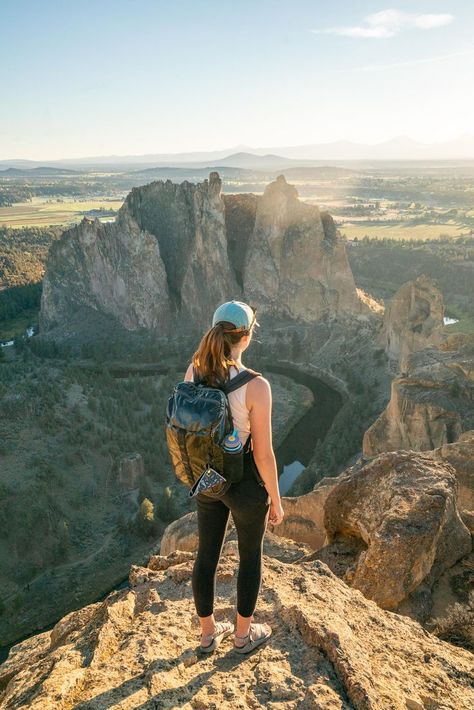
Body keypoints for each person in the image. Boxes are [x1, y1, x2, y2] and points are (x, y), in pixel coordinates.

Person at [183, 300, 285, 654]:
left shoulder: (194, 371)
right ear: (247, 337)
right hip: (242, 484)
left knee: (206, 553)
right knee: (249, 557)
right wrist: (275, 497)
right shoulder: (256, 386)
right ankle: (243, 637)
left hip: (208, 478)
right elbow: (263, 454)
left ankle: (208, 634)